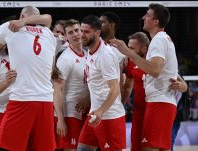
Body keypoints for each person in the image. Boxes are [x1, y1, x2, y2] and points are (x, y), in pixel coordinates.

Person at [110, 3, 178, 151]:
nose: (143, 17)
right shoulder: (163, 39)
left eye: (147, 15)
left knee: (149, 148)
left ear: (156, 21)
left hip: (159, 102)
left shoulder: (159, 40)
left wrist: (128, 52)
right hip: (160, 102)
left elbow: (154, 70)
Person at [0, 6, 56, 151]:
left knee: (5, 147)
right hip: (46, 101)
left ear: (21, 16)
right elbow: (48, 18)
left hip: (22, 99)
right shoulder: (49, 34)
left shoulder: (9, 27)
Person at [78, 15, 126, 151]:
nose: (82, 35)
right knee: (83, 148)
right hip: (95, 114)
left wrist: (101, 111)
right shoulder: (91, 51)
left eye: (86, 32)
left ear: (97, 33)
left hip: (109, 116)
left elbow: (115, 89)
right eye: (81, 31)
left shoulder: (105, 55)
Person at [53, 19, 87, 150]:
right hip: (69, 113)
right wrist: (61, 120)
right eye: (71, 32)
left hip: (84, 111)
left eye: (77, 30)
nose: (75, 34)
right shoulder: (65, 59)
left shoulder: (87, 54)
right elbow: (57, 90)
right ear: (66, 37)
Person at [121, 32, 149, 151]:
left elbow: (175, 75)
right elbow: (127, 86)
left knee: (154, 146)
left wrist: (184, 85)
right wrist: (120, 104)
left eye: (132, 48)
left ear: (143, 49)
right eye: (128, 47)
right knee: (136, 146)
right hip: (138, 112)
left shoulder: (156, 61)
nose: (128, 50)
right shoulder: (131, 62)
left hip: (154, 110)